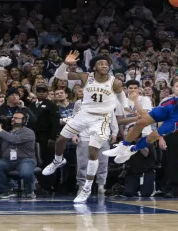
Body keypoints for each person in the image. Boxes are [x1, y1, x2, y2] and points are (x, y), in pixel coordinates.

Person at [105, 23, 178, 164]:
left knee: (154, 135)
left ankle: (132, 150)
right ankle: (123, 147)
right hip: (173, 105)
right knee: (141, 122)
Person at [41, 51, 126, 203]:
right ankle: (58, 160)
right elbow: (60, 76)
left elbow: (121, 98)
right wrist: (66, 63)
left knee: (93, 153)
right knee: (60, 140)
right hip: (84, 114)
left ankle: (86, 187)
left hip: (101, 120)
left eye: (107, 64)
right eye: (101, 64)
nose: (105, 66)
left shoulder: (115, 82)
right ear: (94, 67)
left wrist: (125, 109)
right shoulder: (86, 77)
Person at [0, 111, 37, 198]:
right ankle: (5, 190)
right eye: (12, 117)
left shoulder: (28, 132)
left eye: (16, 118)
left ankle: (30, 190)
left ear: (24, 120)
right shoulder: (9, 132)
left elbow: (15, 140)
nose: (13, 119)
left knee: (26, 173)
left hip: (25, 159)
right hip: (8, 160)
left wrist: (0, 130)